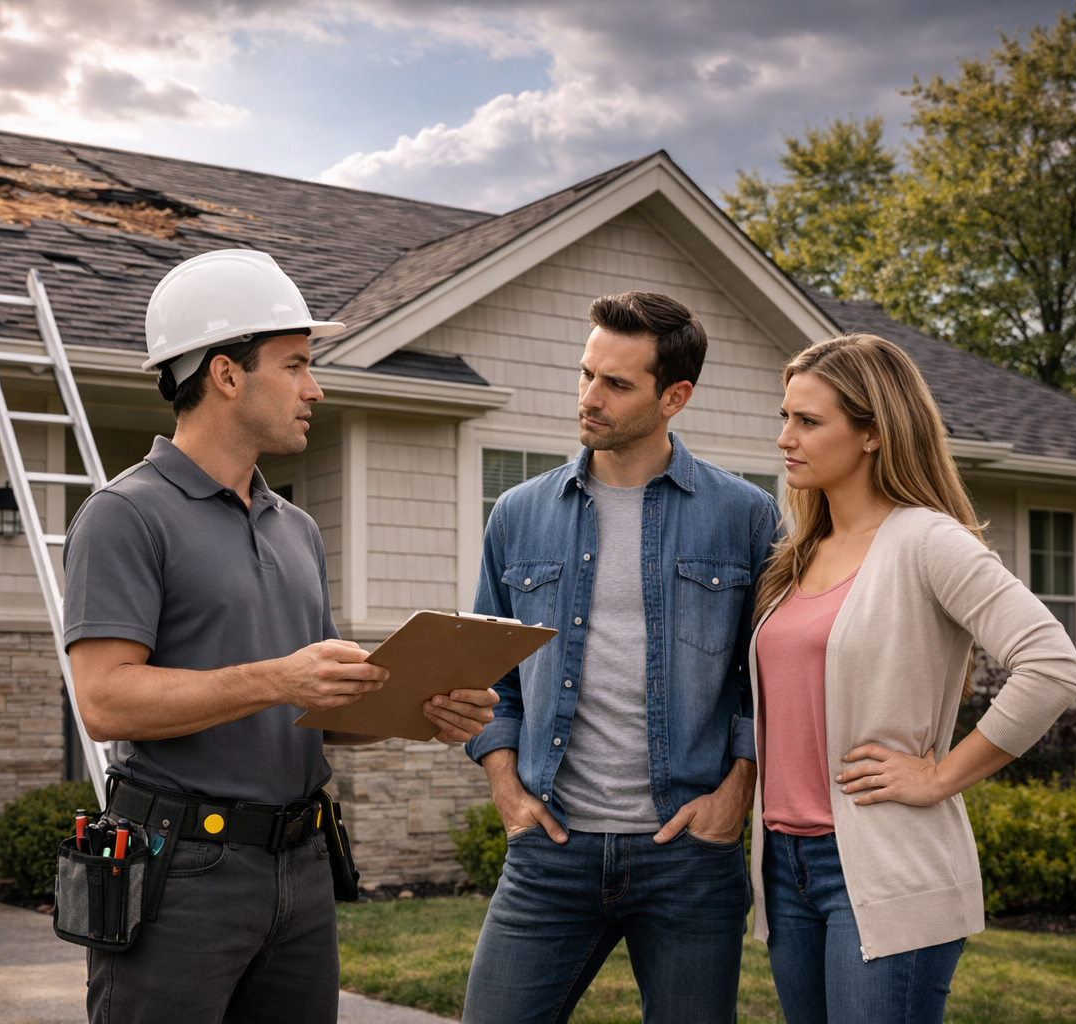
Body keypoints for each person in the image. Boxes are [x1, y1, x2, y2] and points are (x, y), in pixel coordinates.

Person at [64, 249, 499, 1024]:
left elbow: (317, 702)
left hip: (300, 867)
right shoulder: (124, 515)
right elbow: (104, 701)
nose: (314, 389)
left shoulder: (295, 526)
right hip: (180, 873)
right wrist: (278, 679)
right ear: (227, 374)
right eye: (296, 365)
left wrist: (420, 709)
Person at [460, 291, 780, 1024]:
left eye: (615, 383)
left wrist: (738, 791)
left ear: (676, 396)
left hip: (688, 857)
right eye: (585, 374)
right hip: (550, 850)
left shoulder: (745, 516)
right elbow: (489, 671)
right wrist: (506, 786)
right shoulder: (518, 514)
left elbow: (762, 682)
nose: (589, 398)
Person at [751, 333, 1076, 1024]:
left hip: (884, 865)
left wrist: (938, 776)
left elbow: (1052, 665)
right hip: (786, 868)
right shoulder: (798, 555)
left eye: (809, 421)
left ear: (873, 432)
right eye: (785, 416)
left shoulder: (927, 540)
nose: (786, 437)